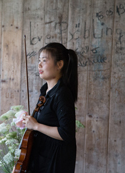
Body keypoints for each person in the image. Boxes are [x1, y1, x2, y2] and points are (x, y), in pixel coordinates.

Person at [21, 43, 78, 173]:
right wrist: (28, 121)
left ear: (59, 65)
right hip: (42, 158)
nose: (39, 65)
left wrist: (36, 126)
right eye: (39, 61)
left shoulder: (62, 94)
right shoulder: (45, 91)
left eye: (44, 61)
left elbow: (66, 133)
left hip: (54, 162)